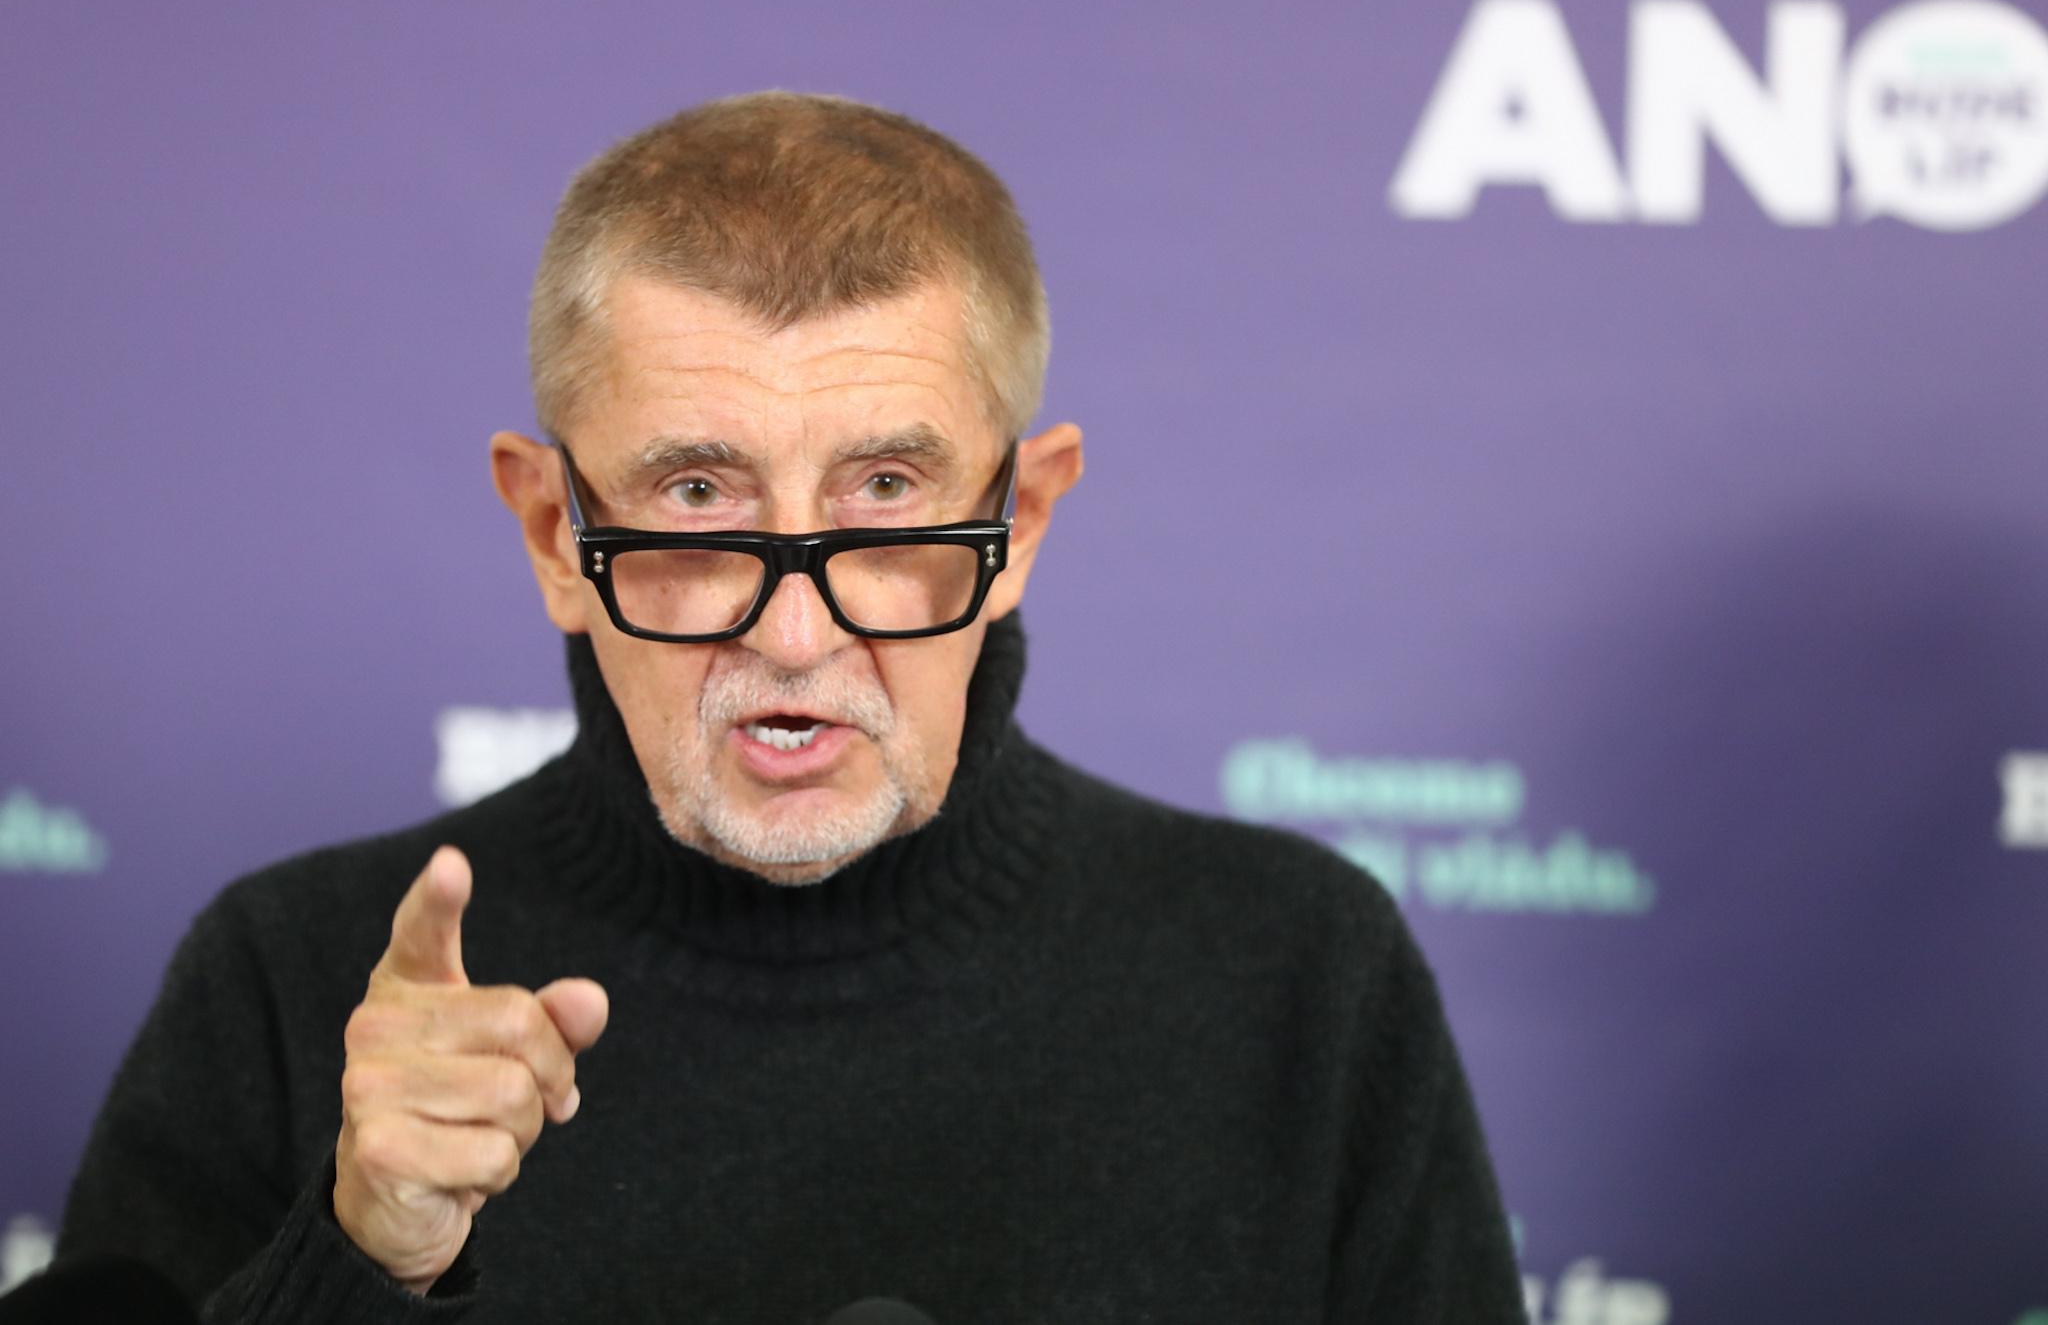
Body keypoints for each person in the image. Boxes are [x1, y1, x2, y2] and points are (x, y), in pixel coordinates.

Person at [52, 92, 1522, 1323]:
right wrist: (361, 1259)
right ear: (555, 533)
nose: (799, 634)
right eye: (700, 496)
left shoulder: (1303, 979)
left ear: (1021, 517)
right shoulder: (289, 982)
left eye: (885, 493)